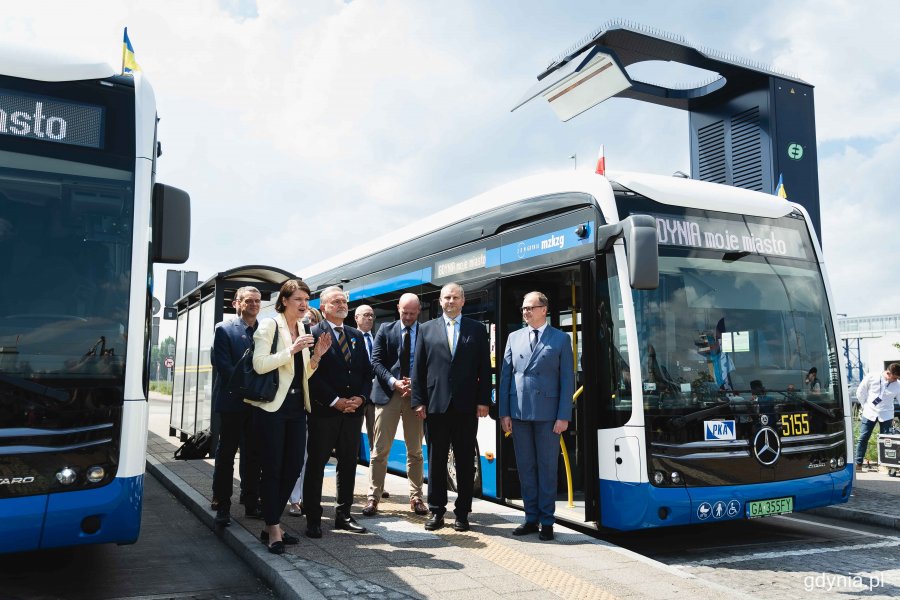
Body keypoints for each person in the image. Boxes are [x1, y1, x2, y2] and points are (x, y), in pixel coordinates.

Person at [246, 279, 331, 554]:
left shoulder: (304, 327)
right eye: (299, 299)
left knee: (294, 466)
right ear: (284, 301)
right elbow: (259, 365)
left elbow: (302, 374)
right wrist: (292, 349)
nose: (305, 304)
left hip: (296, 407)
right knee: (272, 468)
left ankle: (271, 522)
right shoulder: (271, 325)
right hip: (272, 408)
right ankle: (273, 528)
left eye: (307, 299)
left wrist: (316, 357)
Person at [412, 282, 491, 532]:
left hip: (467, 407)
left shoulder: (477, 330)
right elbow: (418, 369)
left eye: (455, 297)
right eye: (446, 298)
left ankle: (463, 513)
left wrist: (483, 401)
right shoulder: (425, 329)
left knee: (466, 460)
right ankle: (436, 511)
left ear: (463, 301)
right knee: (436, 461)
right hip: (435, 407)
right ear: (440, 301)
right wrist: (418, 401)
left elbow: (484, 368)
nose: (451, 302)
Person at [499, 292, 573, 541]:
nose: (526, 312)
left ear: (544, 309)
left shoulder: (561, 339)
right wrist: (504, 412)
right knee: (526, 467)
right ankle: (530, 518)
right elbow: (506, 377)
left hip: (548, 416)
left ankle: (547, 521)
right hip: (519, 413)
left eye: (530, 308)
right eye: (523, 309)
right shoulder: (514, 337)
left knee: (547, 468)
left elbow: (567, 380)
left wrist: (564, 416)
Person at [303, 286, 373, 537]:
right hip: (325, 412)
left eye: (344, 301)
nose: (342, 304)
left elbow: (366, 372)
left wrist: (361, 397)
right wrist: (335, 400)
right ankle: (313, 518)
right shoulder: (312, 334)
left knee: (348, 464)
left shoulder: (356, 335)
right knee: (316, 465)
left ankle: (343, 515)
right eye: (336, 301)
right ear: (323, 307)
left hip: (353, 413)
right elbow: (311, 375)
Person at [363, 293, 427, 517]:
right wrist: (393, 381)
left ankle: (417, 498)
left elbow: (430, 363)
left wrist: (416, 384)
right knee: (379, 450)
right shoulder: (384, 330)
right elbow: (376, 361)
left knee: (416, 451)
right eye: (404, 312)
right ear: (398, 308)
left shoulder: (426, 332)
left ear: (419, 311)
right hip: (388, 394)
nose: (408, 317)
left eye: (412, 313)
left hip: (414, 397)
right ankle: (373, 498)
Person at [211, 286, 264, 526]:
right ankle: (223, 504)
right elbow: (223, 365)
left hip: (257, 405)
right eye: (249, 301)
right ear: (237, 303)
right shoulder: (224, 330)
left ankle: (251, 502)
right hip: (232, 403)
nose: (254, 304)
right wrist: (249, 386)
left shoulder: (265, 330)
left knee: (254, 455)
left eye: (257, 301)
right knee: (226, 455)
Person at [287, 306, 323, 517]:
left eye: (312, 321)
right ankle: (294, 499)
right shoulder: (293, 341)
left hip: (317, 405)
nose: (308, 324)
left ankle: (304, 498)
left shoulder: (322, 342)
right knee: (297, 455)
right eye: (305, 320)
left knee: (310, 457)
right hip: (298, 403)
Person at [854, 363, 900, 472]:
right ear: (888, 373)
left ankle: (885, 465)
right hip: (869, 412)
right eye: (894, 378)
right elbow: (860, 392)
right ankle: (858, 464)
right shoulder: (872, 377)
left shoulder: (898, 385)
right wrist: (865, 405)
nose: (895, 380)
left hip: (886, 415)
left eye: (897, 378)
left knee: (887, 441)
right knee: (863, 438)